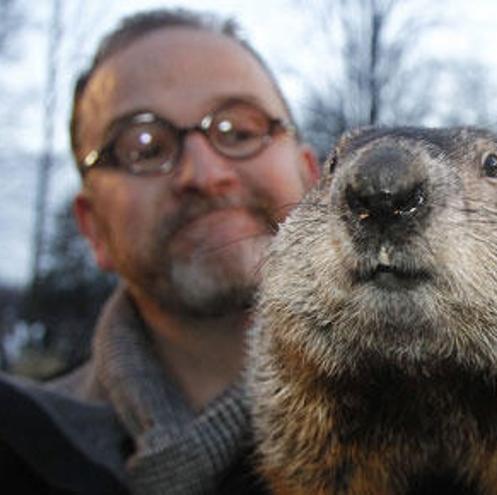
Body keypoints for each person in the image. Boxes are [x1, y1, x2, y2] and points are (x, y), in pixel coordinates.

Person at [0, 8, 319, 494]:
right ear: (94, 230)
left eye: (239, 130)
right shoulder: (21, 447)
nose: (206, 175)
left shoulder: (459, 437)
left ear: (313, 179)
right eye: (144, 147)